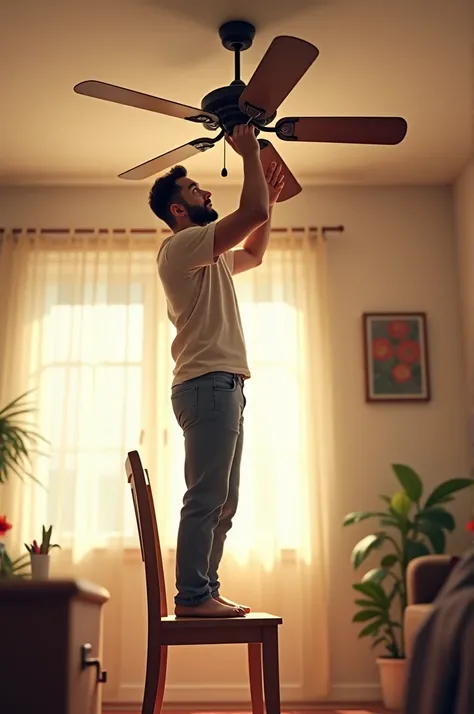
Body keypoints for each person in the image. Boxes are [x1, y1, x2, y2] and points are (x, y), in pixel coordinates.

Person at [149, 124, 285, 617]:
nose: (206, 191)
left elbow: (254, 250)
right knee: (207, 497)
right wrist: (248, 152)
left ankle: (204, 590)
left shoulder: (212, 258)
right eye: (194, 190)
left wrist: (267, 200)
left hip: (222, 386)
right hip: (207, 386)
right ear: (178, 210)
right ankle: (192, 598)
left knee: (223, 501)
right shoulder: (181, 248)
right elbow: (249, 214)